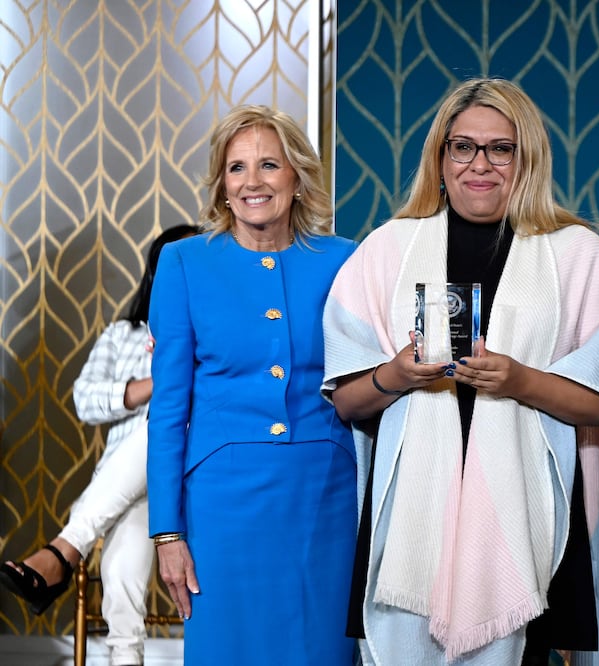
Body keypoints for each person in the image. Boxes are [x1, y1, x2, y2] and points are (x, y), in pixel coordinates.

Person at [321, 77, 599, 665]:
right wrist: (398, 375)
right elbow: (347, 403)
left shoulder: (577, 253)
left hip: (530, 525)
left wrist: (520, 381)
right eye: (463, 147)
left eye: (500, 148)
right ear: (441, 155)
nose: (480, 164)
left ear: (526, 157)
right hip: (410, 524)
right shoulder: (387, 249)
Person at [146, 105, 359, 664]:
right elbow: (168, 408)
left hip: (324, 495)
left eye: (269, 164)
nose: (253, 182)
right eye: (236, 168)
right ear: (221, 184)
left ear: (297, 177)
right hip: (222, 499)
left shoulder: (346, 260)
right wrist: (167, 533)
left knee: (320, 650)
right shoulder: (183, 263)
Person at [0, 224, 198, 666]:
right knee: (124, 561)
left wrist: (179, 371)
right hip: (123, 487)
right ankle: (124, 658)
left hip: (184, 476)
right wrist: (158, 381)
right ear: (154, 275)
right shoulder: (122, 335)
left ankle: (62, 552)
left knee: (159, 425)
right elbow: (85, 399)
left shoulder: (213, 332)